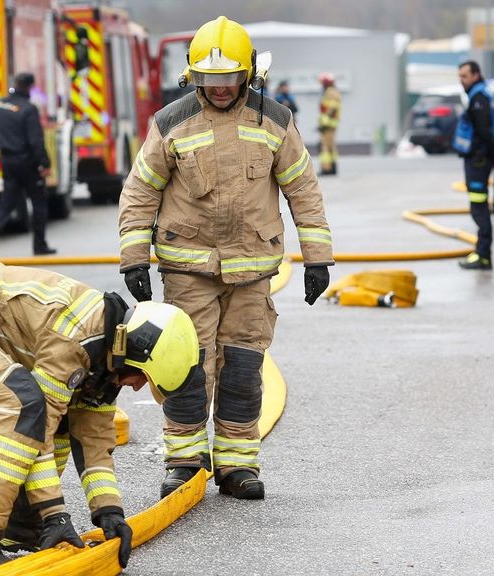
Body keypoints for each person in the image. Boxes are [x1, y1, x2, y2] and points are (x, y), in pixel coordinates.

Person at [117, 16, 333, 501]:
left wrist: (318, 257)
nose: (218, 88)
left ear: (249, 74)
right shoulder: (171, 123)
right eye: (208, 80)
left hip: (253, 269)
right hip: (188, 270)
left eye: (228, 79)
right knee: (188, 368)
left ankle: (238, 465)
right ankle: (185, 461)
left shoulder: (275, 121)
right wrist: (134, 257)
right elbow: (139, 191)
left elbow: (303, 187)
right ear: (192, 76)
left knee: (242, 366)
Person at [0, 262, 203, 574]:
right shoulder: (78, 339)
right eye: (141, 376)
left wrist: (109, 512)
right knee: (22, 408)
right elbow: (41, 425)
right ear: (134, 352)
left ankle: (20, 527)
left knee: (57, 421)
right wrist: (55, 513)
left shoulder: (110, 355)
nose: (136, 386)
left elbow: (94, 442)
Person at [0, 73, 55, 258]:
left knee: (7, 202)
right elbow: (35, 140)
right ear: (29, 87)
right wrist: (44, 163)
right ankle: (39, 245)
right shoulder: (29, 109)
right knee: (39, 203)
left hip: (7, 161)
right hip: (26, 162)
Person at [453, 60, 494, 270]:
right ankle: (482, 253)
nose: (461, 80)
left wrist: (485, 155)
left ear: (476, 75)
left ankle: (483, 255)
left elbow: (483, 131)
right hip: (478, 159)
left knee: (479, 209)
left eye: (464, 76)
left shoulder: (479, 98)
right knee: (478, 208)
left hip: (478, 161)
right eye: (460, 76)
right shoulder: (479, 95)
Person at [317, 72, 341, 176]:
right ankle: (332, 168)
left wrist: (324, 123)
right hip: (330, 124)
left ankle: (326, 169)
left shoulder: (330, 92)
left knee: (325, 147)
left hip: (328, 125)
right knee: (330, 146)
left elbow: (331, 109)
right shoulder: (331, 91)